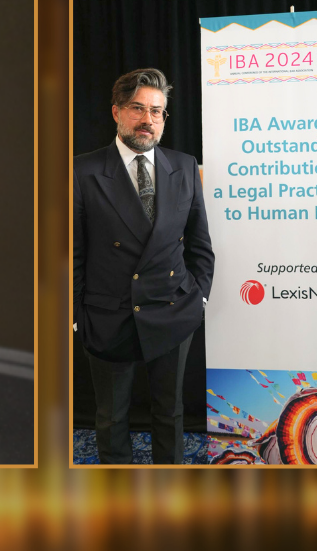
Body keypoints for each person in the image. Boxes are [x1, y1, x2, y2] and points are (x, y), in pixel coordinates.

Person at [73, 68, 214, 464]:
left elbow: (200, 243)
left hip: (173, 306)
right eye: (138, 108)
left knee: (170, 413)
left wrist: (198, 297)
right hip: (109, 312)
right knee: (111, 416)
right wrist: (74, 314)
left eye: (157, 111)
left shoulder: (183, 166)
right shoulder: (82, 171)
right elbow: (73, 252)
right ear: (117, 112)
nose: (147, 119)